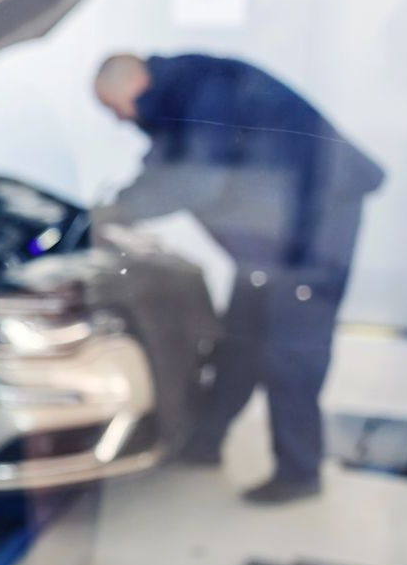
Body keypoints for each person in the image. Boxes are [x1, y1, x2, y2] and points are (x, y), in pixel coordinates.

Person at [93, 52, 384, 504]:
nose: (118, 120)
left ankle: (300, 472)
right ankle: (204, 443)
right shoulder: (183, 94)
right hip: (276, 234)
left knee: (291, 349)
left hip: (316, 221)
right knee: (243, 336)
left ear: (133, 84)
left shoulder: (202, 89)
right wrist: (116, 207)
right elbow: (166, 166)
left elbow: (196, 180)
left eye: (114, 108)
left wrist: (115, 212)